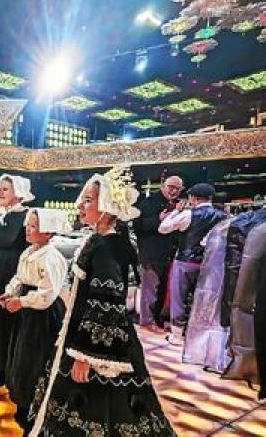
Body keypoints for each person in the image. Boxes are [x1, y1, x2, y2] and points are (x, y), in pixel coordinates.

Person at [29, 166, 175, 436]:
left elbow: (106, 305)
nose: (79, 205)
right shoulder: (100, 239)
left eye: (87, 199)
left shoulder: (108, 246)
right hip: (82, 336)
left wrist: (86, 356)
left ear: (107, 206)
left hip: (98, 346)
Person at [0, 208, 69, 433]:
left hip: (43, 316)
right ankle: (23, 402)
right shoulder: (28, 252)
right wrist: (10, 292)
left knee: (36, 360)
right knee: (21, 357)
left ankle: (36, 409)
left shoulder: (51, 257)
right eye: (28, 225)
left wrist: (22, 302)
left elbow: (47, 294)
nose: (28, 229)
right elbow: (19, 277)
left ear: (48, 232)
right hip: (27, 312)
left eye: (34, 226)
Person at [0, 174, 33, 390]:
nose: (0, 192)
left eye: (5, 189)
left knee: (4, 323)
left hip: (11, 273)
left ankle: (3, 370)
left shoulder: (27, 216)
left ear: (18, 192)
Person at [159, 182, 227, 346]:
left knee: (179, 298)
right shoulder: (223, 216)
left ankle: (177, 336)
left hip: (185, 261)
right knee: (206, 298)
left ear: (194, 198)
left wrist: (175, 211)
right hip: (211, 263)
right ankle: (201, 337)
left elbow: (163, 228)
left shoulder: (189, 214)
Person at [132, 176, 184, 332]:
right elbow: (138, 226)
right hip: (151, 254)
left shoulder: (176, 205)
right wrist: (158, 219)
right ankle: (147, 322)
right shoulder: (149, 203)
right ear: (163, 186)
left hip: (167, 255)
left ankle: (157, 320)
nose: (173, 190)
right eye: (171, 186)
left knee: (161, 291)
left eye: (177, 188)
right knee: (150, 290)